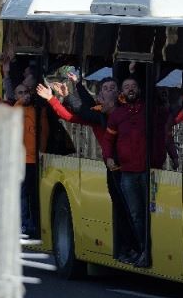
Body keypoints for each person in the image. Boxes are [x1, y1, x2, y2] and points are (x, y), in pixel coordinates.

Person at [36, 75, 141, 263]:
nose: (111, 90)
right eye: (106, 88)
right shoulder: (98, 115)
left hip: (134, 166)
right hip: (115, 169)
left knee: (134, 210)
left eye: (113, 87)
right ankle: (129, 248)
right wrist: (52, 98)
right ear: (100, 97)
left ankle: (137, 248)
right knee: (122, 210)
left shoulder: (127, 110)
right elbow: (69, 115)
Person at [104, 78, 150, 268]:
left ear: (139, 89)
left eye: (133, 86)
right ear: (122, 92)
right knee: (135, 214)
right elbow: (108, 140)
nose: (131, 89)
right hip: (127, 173)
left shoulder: (148, 110)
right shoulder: (117, 115)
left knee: (149, 214)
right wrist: (108, 158)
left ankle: (147, 250)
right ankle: (140, 250)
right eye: (126, 87)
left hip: (147, 172)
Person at [15, 83, 48, 236]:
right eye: (21, 93)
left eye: (27, 92)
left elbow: (43, 132)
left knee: (35, 196)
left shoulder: (38, 110)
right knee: (22, 195)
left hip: (37, 160)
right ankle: (22, 224)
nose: (25, 95)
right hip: (22, 161)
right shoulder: (17, 109)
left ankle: (35, 225)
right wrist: (21, 101)